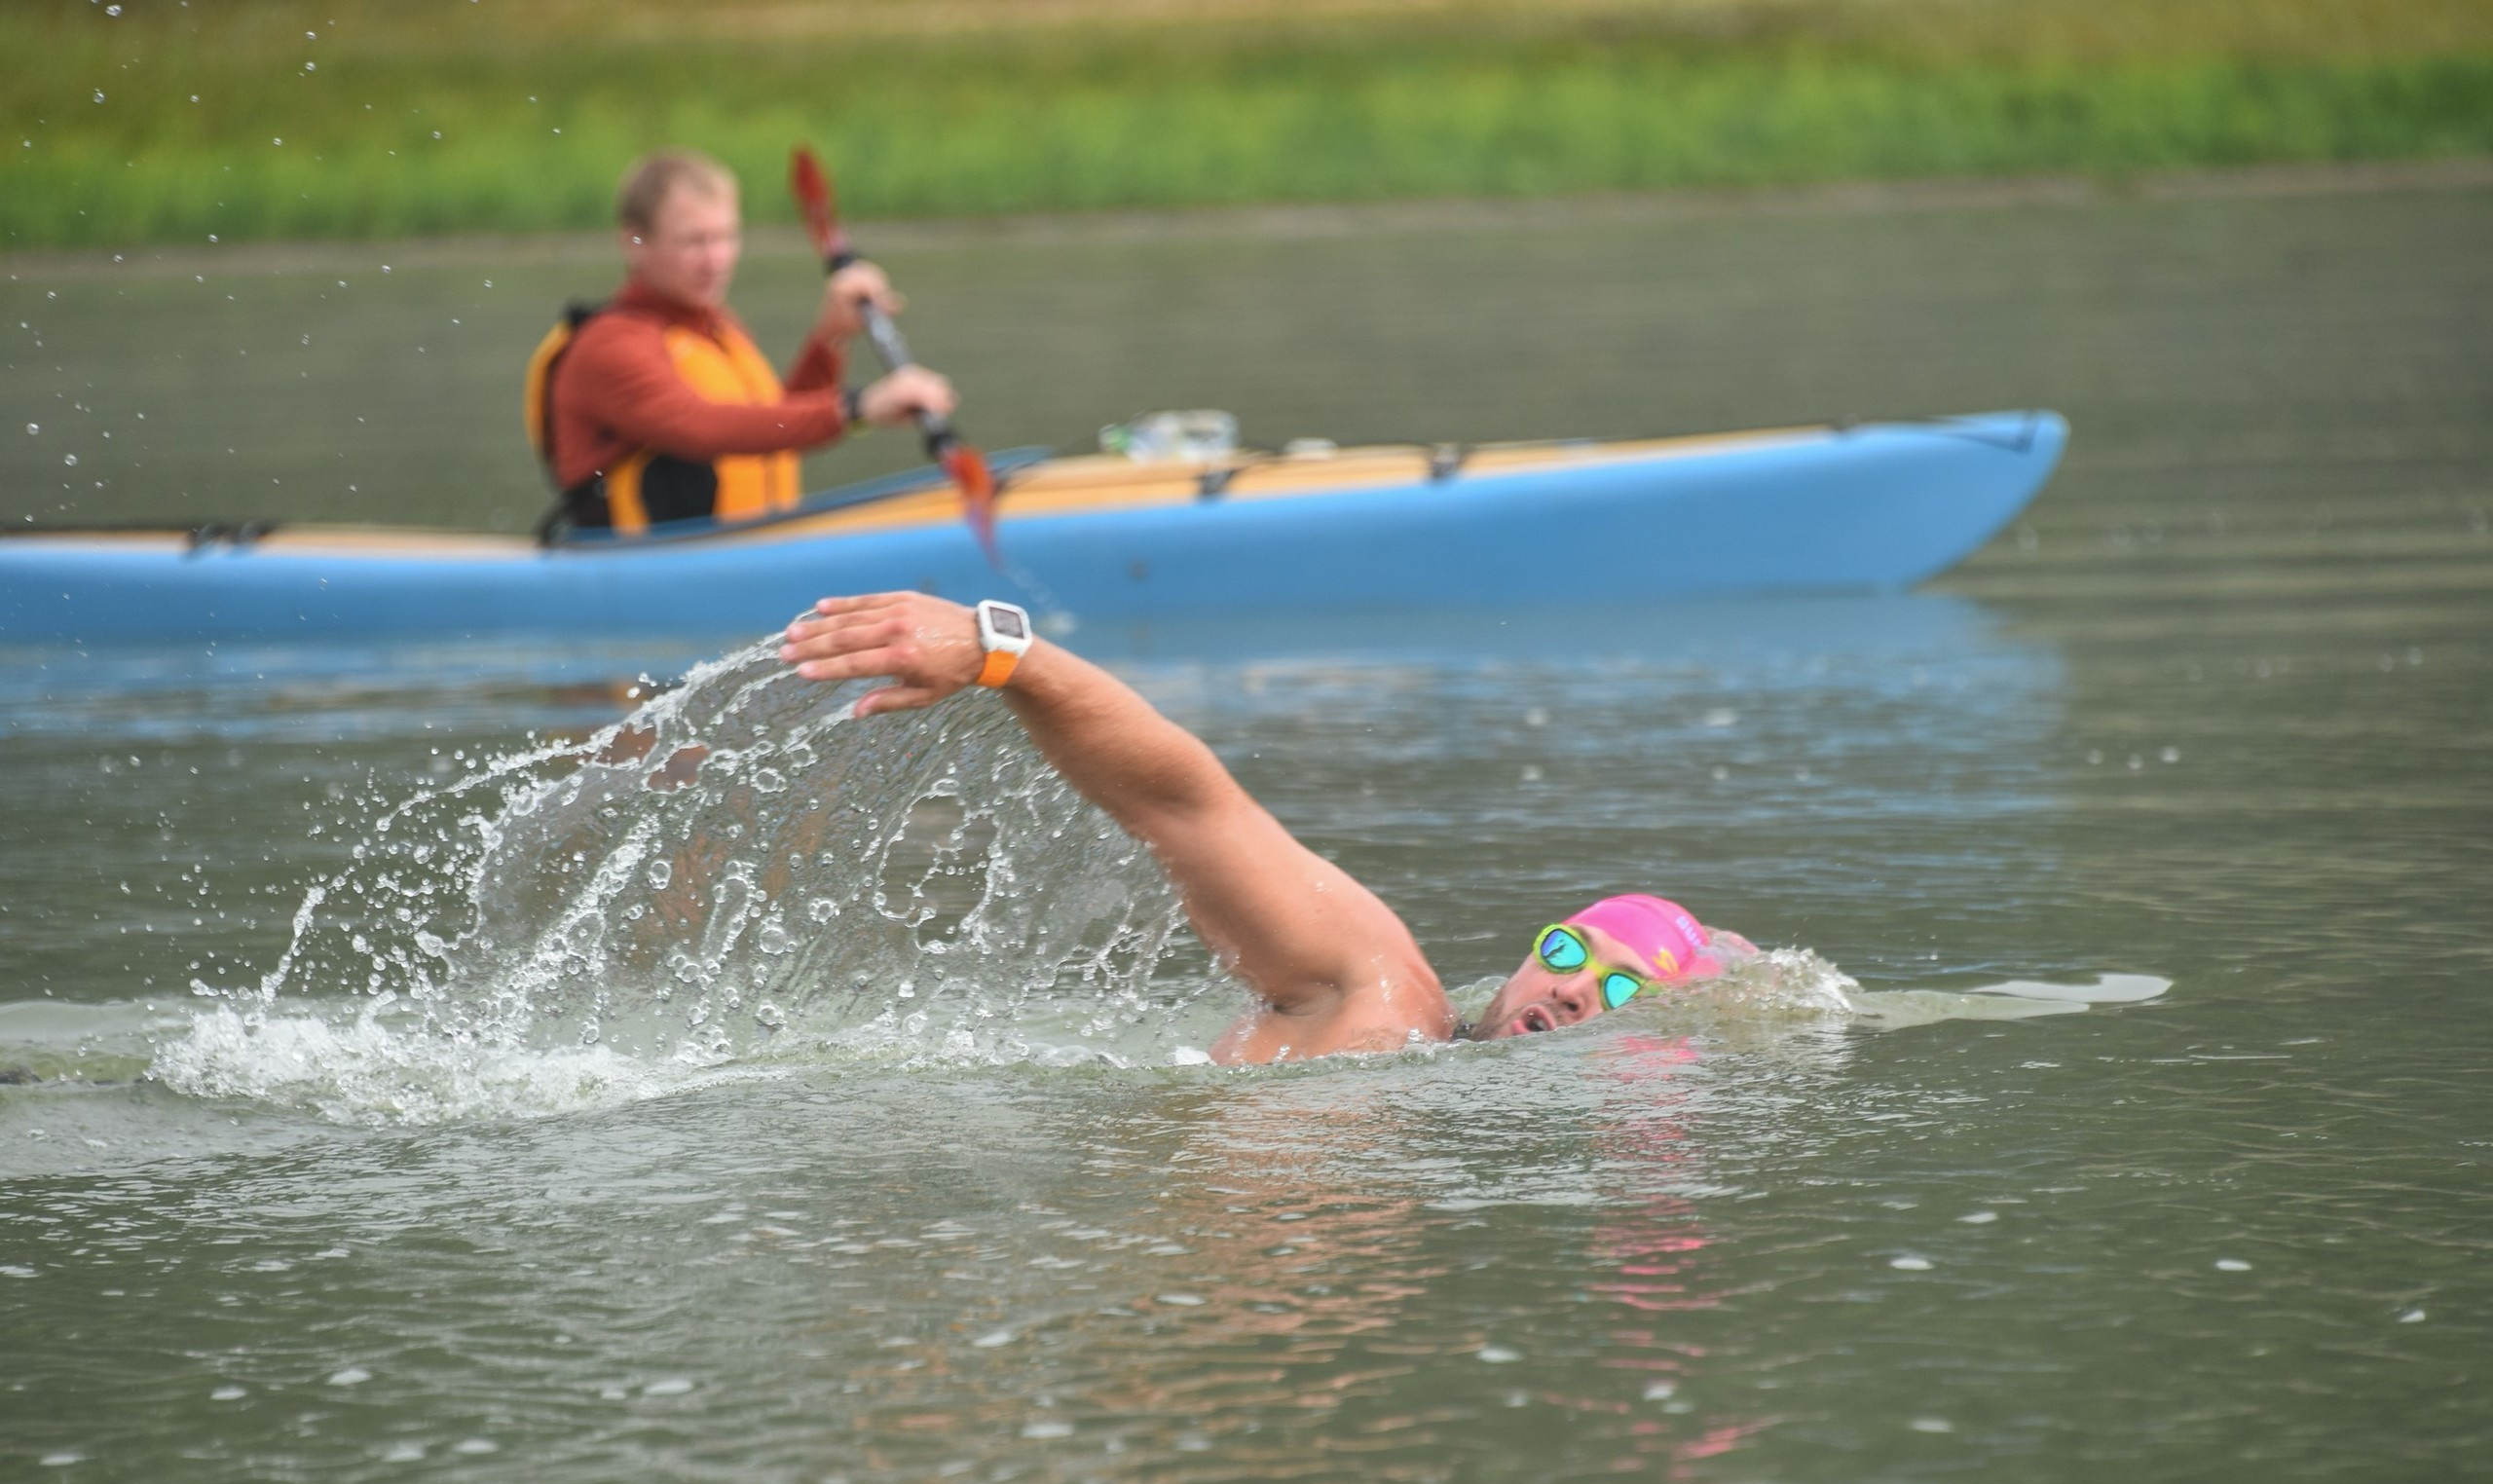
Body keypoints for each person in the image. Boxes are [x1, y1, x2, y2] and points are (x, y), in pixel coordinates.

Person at [781, 590, 1749, 1063]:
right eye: (1566, 947)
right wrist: (1008, 653)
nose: (1576, 987)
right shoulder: (1378, 991)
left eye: (1620, 985)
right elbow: (1189, 799)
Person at [531, 148, 956, 534]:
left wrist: (831, 338)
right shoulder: (611, 345)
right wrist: (857, 407)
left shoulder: (715, 327)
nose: (716, 260)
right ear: (634, 243)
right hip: (651, 573)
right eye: (694, 241)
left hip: (747, 548)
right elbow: (698, 426)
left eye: (726, 237)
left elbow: (774, 425)